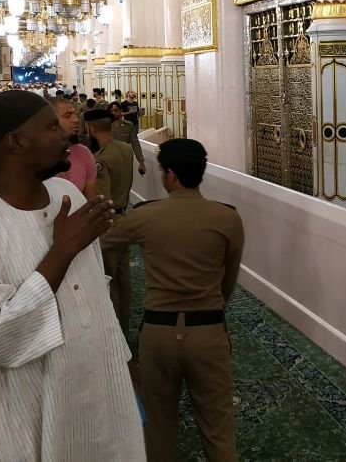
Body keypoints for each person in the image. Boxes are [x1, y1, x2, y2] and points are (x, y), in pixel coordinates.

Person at [0, 91, 145, 461]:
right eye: (52, 127)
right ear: (16, 142)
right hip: (19, 419)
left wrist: (122, 368)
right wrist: (62, 250)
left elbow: (92, 299)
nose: (67, 135)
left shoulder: (64, 194)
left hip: (96, 401)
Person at [105, 139, 244, 462]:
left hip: (159, 333)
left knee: (157, 425)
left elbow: (101, 244)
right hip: (208, 331)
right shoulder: (228, 219)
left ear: (169, 175)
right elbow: (228, 280)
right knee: (218, 428)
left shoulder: (145, 217)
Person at [84, 108, 135, 336]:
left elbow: (101, 200)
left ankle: (113, 332)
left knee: (109, 279)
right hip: (124, 216)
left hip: (109, 223)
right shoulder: (125, 149)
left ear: (91, 128)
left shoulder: (101, 160)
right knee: (124, 279)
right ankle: (124, 324)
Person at [49, 96, 97, 199]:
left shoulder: (82, 153)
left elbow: (90, 200)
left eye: (74, 114)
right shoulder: (32, 157)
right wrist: (51, 184)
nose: (76, 120)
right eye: (67, 116)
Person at [109, 101, 147, 175]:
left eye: (116, 110)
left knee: (125, 183)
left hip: (124, 159)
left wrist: (141, 162)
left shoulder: (128, 126)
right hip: (110, 160)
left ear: (120, 111)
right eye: (111, 111)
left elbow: (135, 144)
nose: (113, 113)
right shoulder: (105, 126)